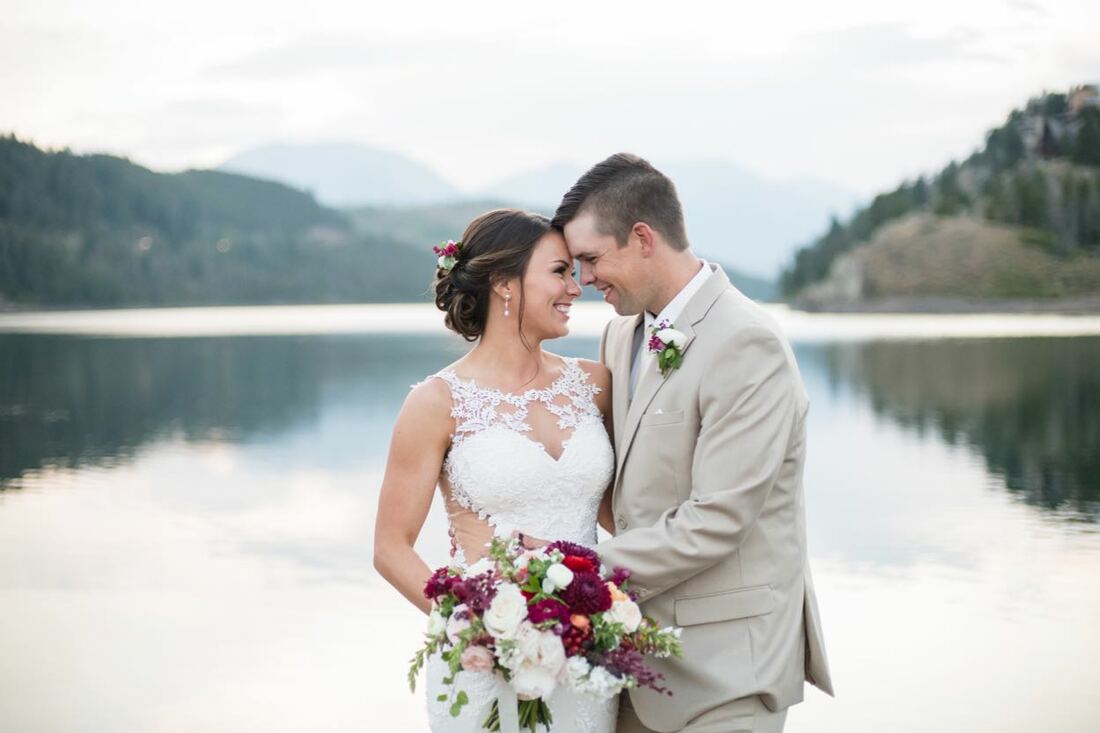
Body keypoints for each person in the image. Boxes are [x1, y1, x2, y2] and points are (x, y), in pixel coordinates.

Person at [543, 153, 834, 733]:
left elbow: (718, 519)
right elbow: (622, 485)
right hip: (630, 663)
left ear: (643, 238)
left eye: (592, 259)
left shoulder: (747, 342)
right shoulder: (621, 333)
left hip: (726, 674)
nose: (584, 280)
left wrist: (567, 572)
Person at [373, 208, 619, 732]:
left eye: (575, 272)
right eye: (559, 271)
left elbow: (623, 516)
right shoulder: (436, 402)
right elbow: (391, 548)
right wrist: (473, 622)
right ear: (505, 284)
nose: (576, 288)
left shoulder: (595, 384)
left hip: (584, 654)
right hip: (484, 661)